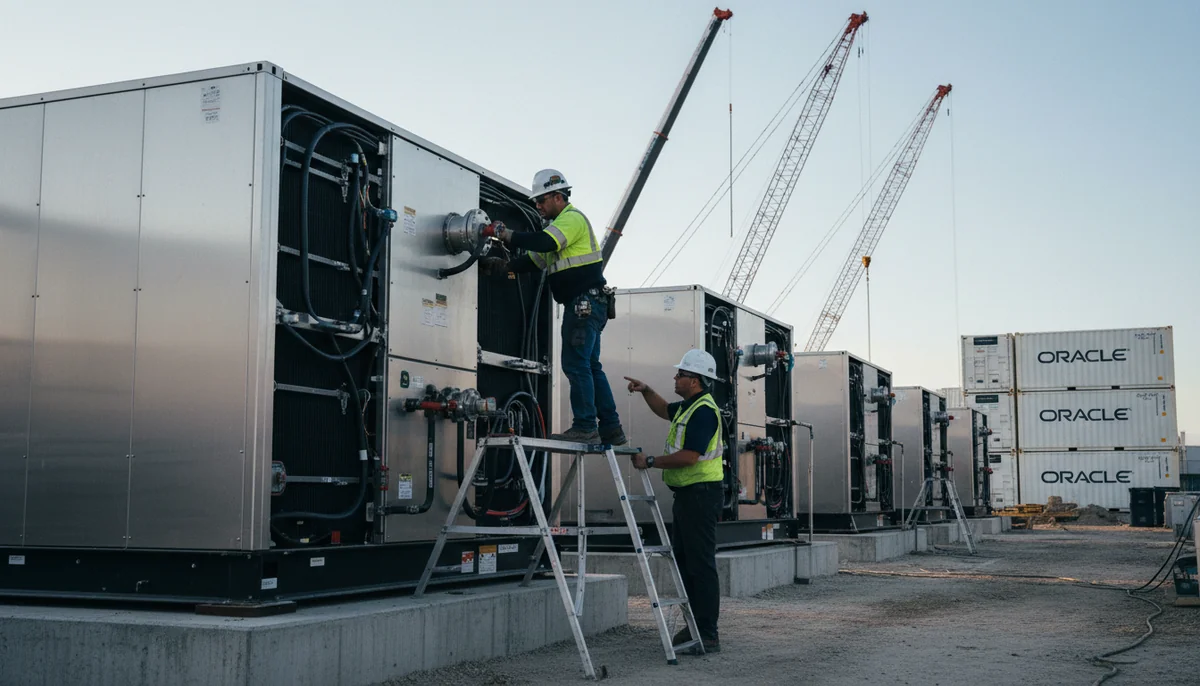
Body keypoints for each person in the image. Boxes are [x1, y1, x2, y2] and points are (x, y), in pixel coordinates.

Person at [482, 169, 625, 445]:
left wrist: (507, 234)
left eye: (541, 200)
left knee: (575, 364)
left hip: (583, 304)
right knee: (590, 366)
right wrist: (504, 265)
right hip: (591, 304)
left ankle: (585, 426)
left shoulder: (571, 219)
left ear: (558, 197)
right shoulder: (558, 231)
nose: (538, 206)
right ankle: (611, 428)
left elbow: (545, 242)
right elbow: (535, 260)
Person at [624, 349, 724, 655]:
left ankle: (707, 634)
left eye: (680, 374)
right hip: (689, 496)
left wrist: (651, 461)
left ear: (695, 381)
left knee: (700, 565)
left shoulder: (704, 411)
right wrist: (647, 390)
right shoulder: (689, 407)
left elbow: (690, 456)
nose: (676, 377)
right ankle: (695, 627)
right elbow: (664, 410)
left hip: (701, 496)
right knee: (685, 561)